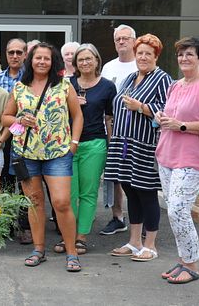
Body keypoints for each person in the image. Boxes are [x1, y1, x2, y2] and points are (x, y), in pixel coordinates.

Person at [2, 42, 83, 271]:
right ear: (31, 60)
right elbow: (5, 118)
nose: (42, 62)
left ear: (52, 61)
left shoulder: (64, 86)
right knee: (34, 202)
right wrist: (18, 120)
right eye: (38, 58)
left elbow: (77, 116)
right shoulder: (19, 88)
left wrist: (74, 143)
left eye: (46, 58)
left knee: (61, 202)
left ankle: (72, 251)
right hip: (26, 153)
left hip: (58, 153)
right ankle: (38, 249)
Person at [152, 37, 199, 283]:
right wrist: (162, 117)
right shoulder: (176, 85)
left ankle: (191, 265)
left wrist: (182, 125)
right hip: (167, 155)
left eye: (190, 54)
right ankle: (183, 260)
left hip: (191, 157)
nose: (184, 59)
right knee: (173, 211)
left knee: (179, 209)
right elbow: (172, 115)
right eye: (181, 54)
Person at [105, 34, 172, 262]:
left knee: (146, 192)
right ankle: (134, 242)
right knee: (130, 191)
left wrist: (141, 107)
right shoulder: (130, 78)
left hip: (144, 144)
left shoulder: (162, 78)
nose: (143, 57)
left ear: (156, 56)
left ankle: (150, 245)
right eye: (140, 52)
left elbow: (166, 110)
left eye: (148, 54)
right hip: (122, 143)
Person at [69, 44, 116, 254]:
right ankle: (68, 234)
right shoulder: (67, 84)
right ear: (75, 64)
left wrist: (110, 144)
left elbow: (109, 118)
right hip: (68, 144)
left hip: (94, 144)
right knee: (68, 193)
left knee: (88, 193)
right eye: (81, 60)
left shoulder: (107, 86)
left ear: (97, 61)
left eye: (89, 59)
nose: (85, 63)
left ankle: (81, 237)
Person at [99, 24, 138, 236]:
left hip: (136, 131)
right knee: (114, 176)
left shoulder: (139, 65)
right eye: (118, 39)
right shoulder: (108, 67)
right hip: (112, 128)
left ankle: (137, 220)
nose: (121, 42)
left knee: (134, 177)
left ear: (134, 41)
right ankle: (117, 217)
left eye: (125, 38)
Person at [0, 38, 31, 243]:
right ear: (5, 55)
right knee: (4, 182)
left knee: (24, 181)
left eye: (19, 52)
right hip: (2, 138)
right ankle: (6, 223)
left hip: (26, 138)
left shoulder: (32, 78)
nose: (15, 56)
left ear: (25, 54)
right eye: (11, 52)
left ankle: (26, 226)